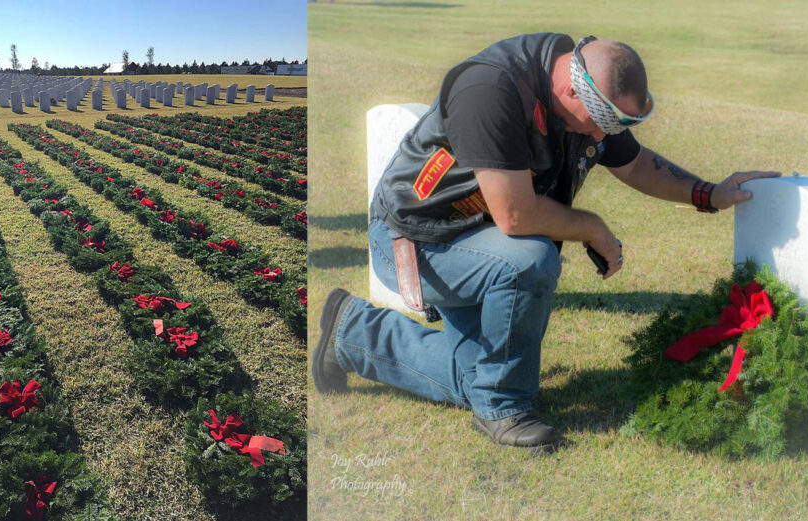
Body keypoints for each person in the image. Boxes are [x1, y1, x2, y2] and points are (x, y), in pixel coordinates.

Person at [312, 32, 779, 453]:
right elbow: (516, 217)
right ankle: (501, 406)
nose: (600, 135)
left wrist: (708, 193)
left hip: (475, 240)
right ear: (570, 87)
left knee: (479, 367)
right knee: (529, 260)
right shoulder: (490, 90)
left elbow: (635, 165)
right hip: (417, 241)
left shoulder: (586, 104)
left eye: (613, 125)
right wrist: (592, 227)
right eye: (598, 120)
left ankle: (353, 332)